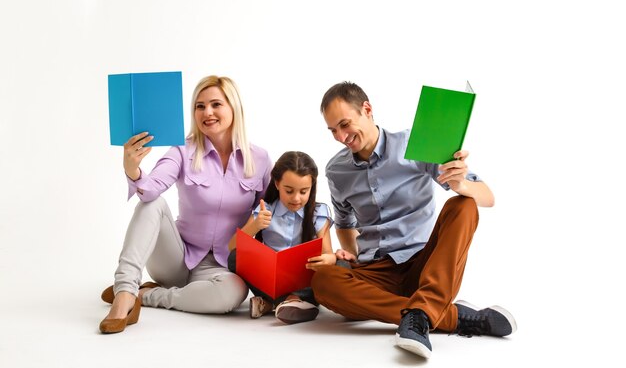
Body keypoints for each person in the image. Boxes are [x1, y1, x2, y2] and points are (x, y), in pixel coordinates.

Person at [311, 81, 516, 359]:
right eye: (333, 130)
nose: (340, 136)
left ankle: (423, 310)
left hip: (425, 265)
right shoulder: (337, 170)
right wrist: (353, 257)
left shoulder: (415, 144)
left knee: (464, 205)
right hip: (377, 270)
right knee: (324, 281)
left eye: (344, 124)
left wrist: (461, 184)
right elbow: (344, 223)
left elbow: (487, 197)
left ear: (367, 109)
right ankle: (445, 314)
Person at [99, 75, 272, 334]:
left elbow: (270, 214)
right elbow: (149, 191)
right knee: (152, 204)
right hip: (176, 258)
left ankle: (148, 296)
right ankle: (125, 291)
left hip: (222, 267)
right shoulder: (183, 150)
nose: (207, 112)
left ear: (233, 107)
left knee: (233, 294)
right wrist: (132, 169)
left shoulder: (259, 159)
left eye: (216, 104)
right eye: (199, 106)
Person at [227, 151, 335, 324]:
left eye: (304, 191)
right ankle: (292, 302)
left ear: (312, 187)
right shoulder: (265, 209)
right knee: (235, 257)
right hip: (270, 280)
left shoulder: (318, 213)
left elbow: (329, 254)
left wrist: (328, 259)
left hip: (303, 279)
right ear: (277, 184)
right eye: (289, 191)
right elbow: (232, 247)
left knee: (341, 266)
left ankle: (275, 303)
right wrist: (255, 226)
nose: (296, 198)